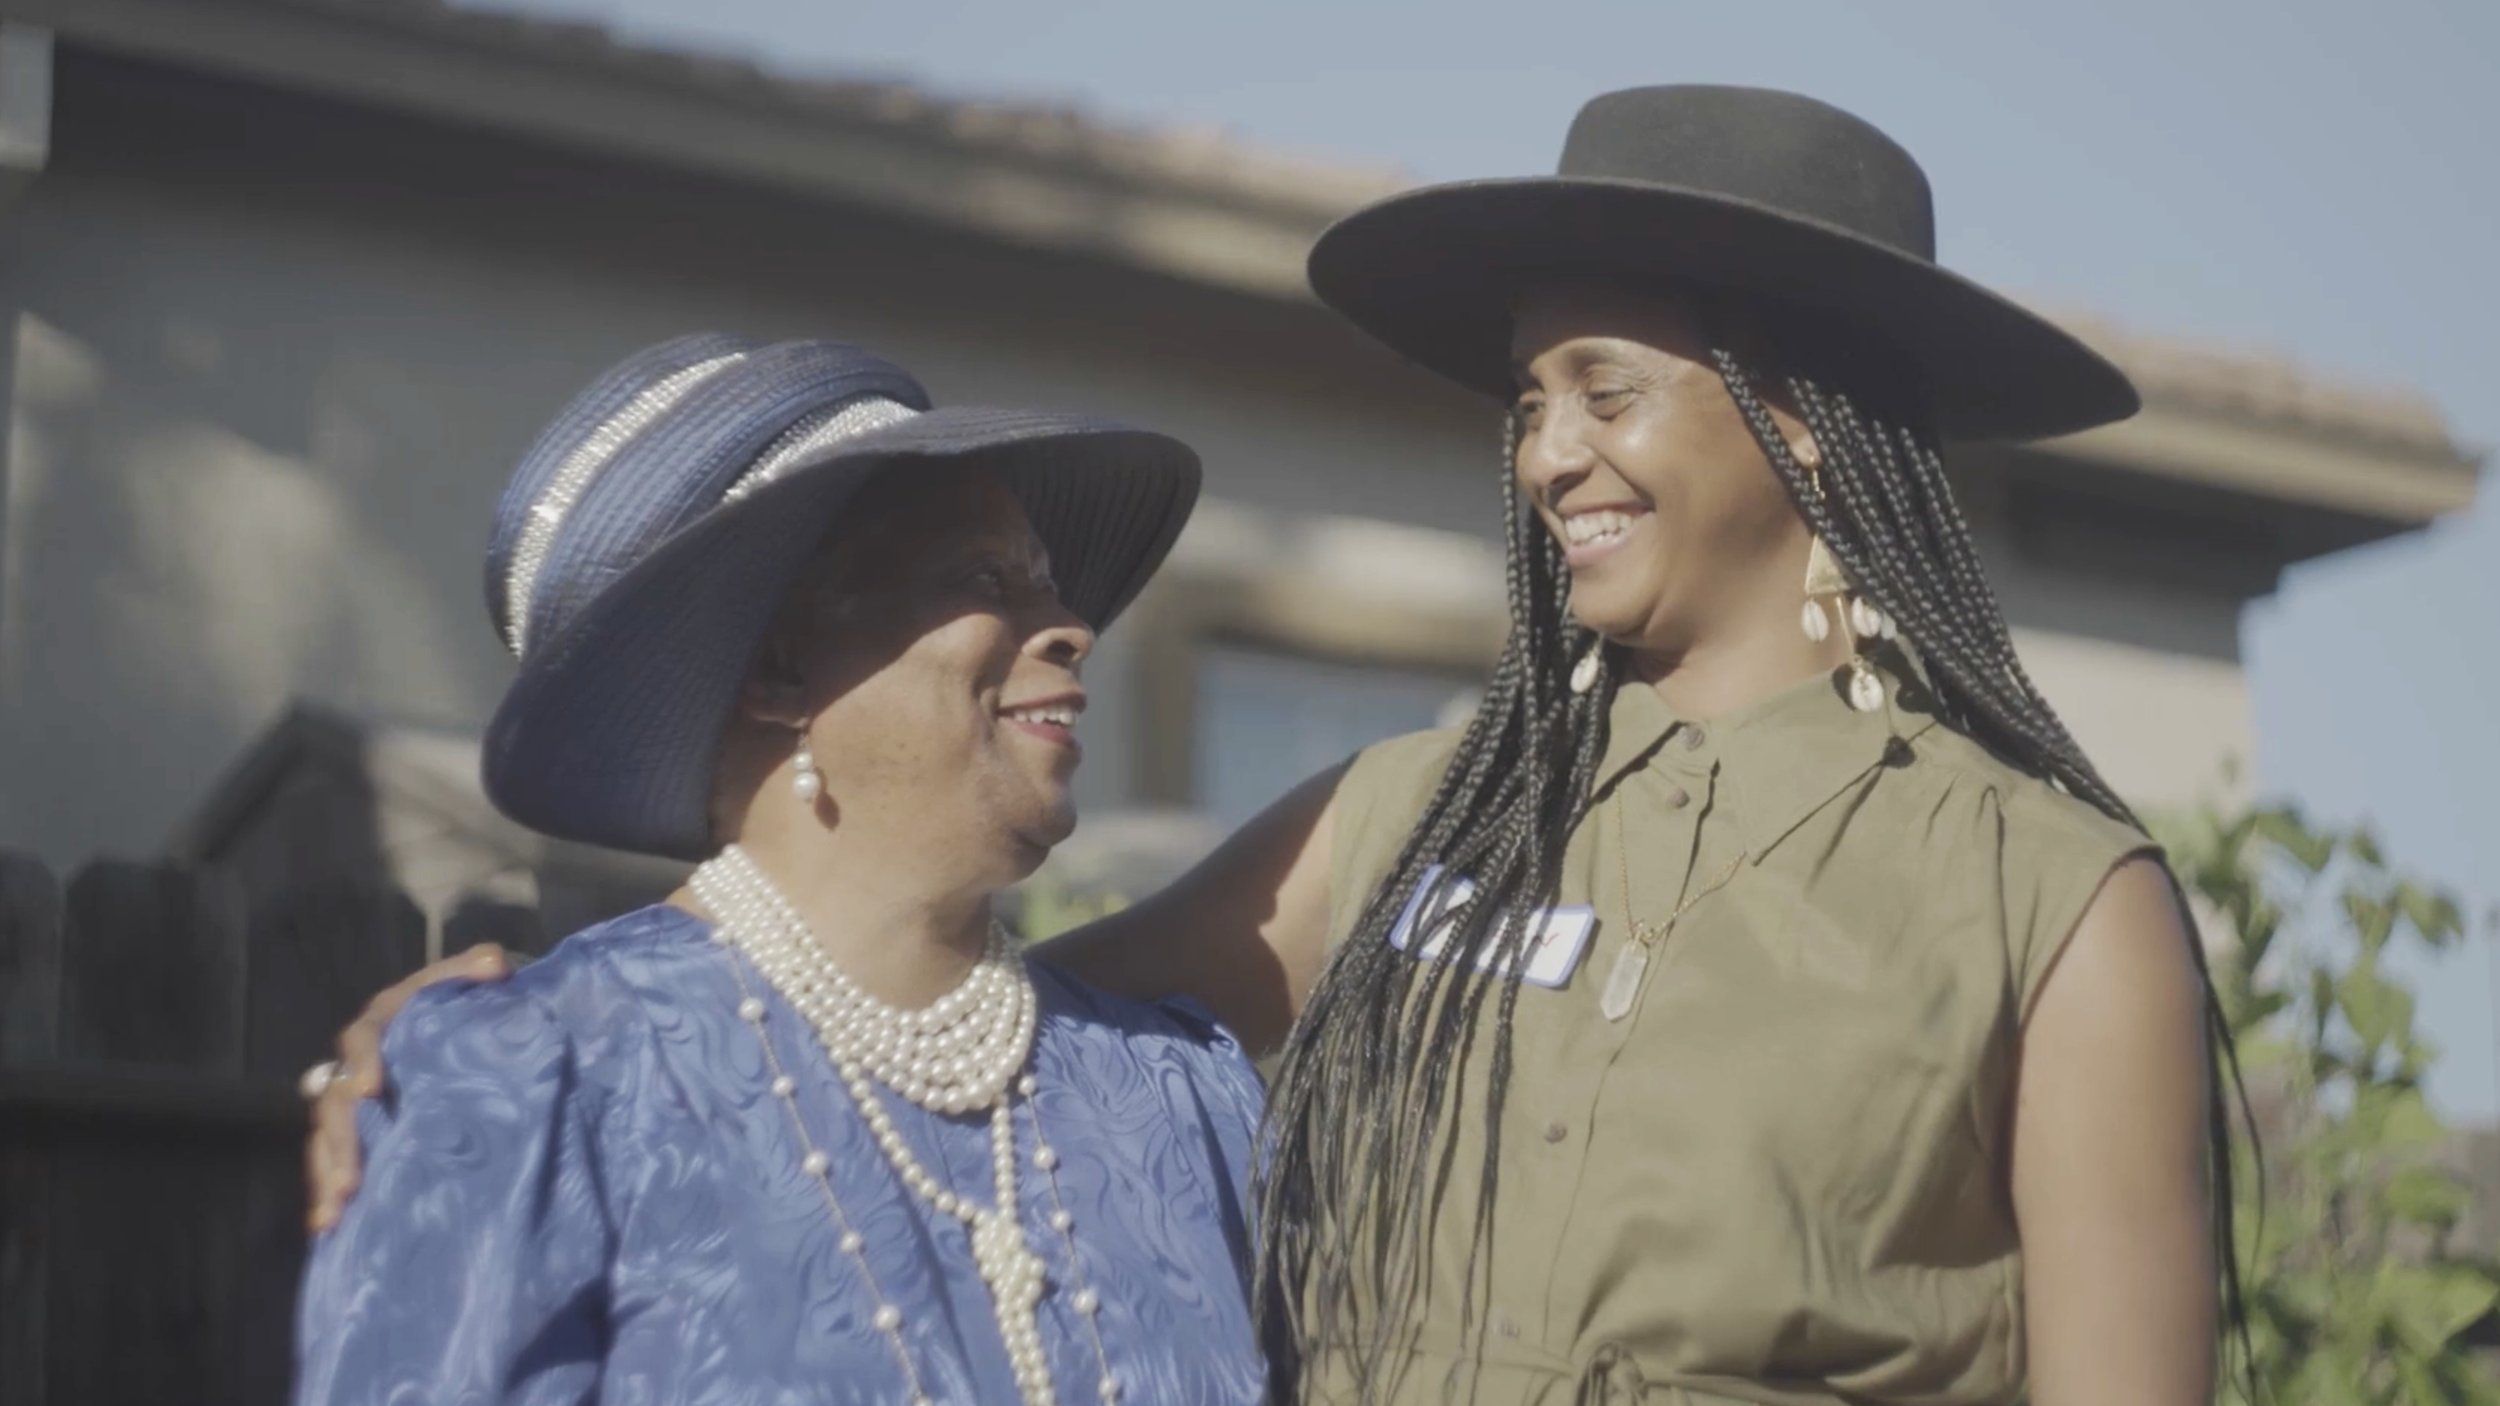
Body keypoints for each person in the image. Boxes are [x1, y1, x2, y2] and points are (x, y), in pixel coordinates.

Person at [307, 89, 2227, 1405]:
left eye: (1606, 390)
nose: (1546, 455)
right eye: (1528, 400)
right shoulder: (1412, 818)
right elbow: (929, 1023)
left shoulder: (2051, 905)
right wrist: (483, 1057)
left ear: (1803, 416)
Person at [290, 334, 1268, 1406]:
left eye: (1052, 585)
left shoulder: (1176, 1091)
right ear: (778, 666)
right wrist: (470, 1074)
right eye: (987, 578)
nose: (1073, 629)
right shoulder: (544, 1079)